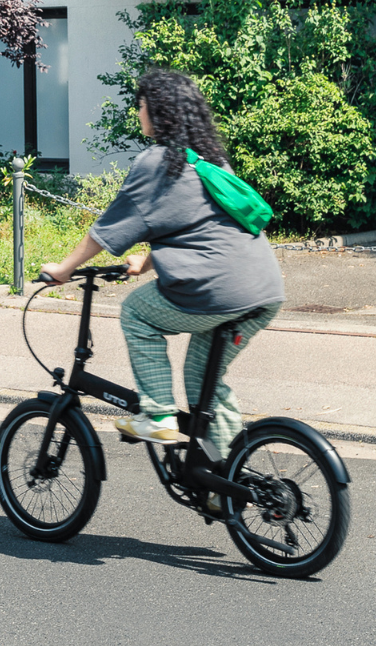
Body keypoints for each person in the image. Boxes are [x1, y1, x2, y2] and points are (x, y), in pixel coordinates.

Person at [40, 69, 284, 459]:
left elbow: (108, 228)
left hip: (216, 291)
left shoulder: (157, 162)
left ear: (158, 111)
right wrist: (148, 262)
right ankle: (227, 473)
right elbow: (198, 226)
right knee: (203, 379)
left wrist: (64, 268)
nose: (138, 113)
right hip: (263, 289)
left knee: (136, 312)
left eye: (140, 105)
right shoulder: (210, 160)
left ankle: (157, 415)